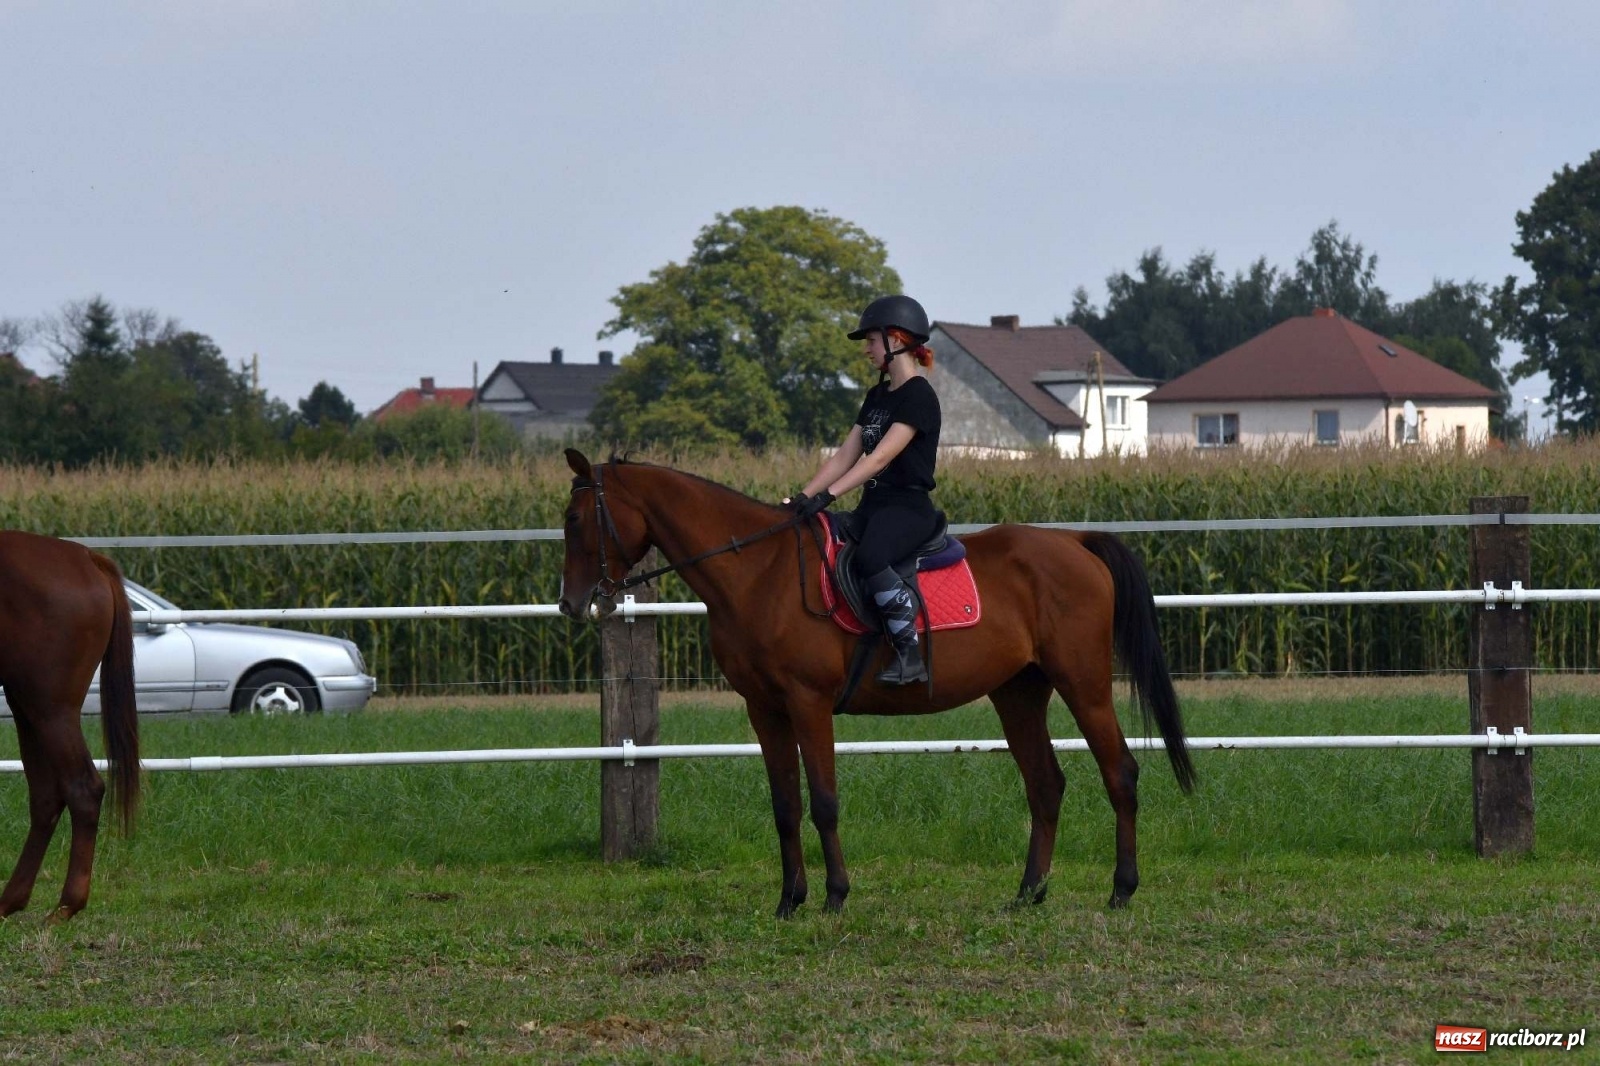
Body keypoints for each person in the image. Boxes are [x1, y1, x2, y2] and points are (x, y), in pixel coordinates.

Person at [787, 294, 942, 685]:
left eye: (871, 341)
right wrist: (803, 498)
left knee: (872, 555)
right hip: (873, 505)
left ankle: (909, 655)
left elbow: (877, 460)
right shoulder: (876, 397)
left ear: (896, 340)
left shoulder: (919, 396)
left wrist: (830, 496)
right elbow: (844, 456)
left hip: (908, 508)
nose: (867, 351)